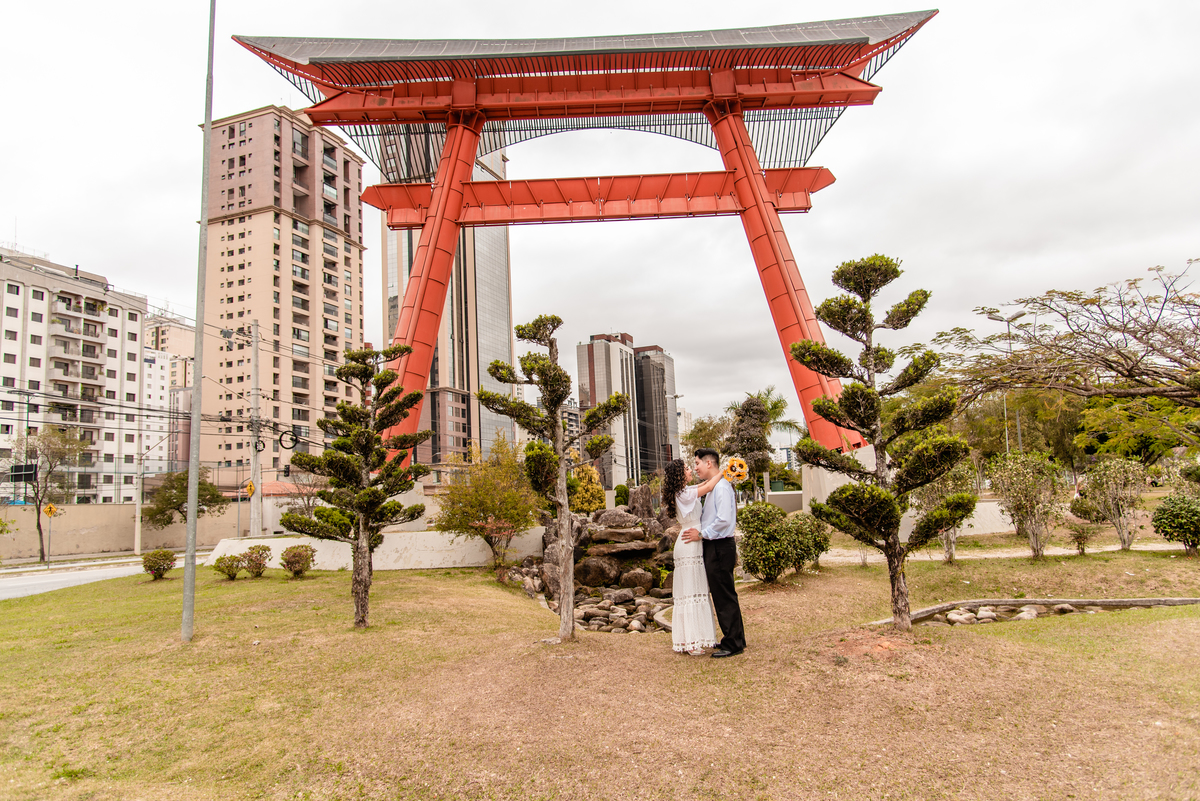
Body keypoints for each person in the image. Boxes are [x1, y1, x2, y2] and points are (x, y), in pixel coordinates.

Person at [680, 447, 745, 658]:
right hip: (714, 546)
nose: (696, 468)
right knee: (720, 594)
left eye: (697, 463)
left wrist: (701, 534)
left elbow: (724, 520)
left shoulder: (721, 488)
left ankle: (733, 643)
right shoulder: (714, 487)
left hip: (719, 545)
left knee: (724, 594)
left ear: (709, 463)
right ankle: (731, 638)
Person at [662, 458, 722, 655]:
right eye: (687, 469)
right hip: (689, 543)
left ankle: (694, 638)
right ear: (679, 475)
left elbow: (704, 484)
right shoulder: (685, 494)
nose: (690, 470)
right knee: (691, 592)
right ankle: (691, 642)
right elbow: (710, 485)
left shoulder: (683, 492)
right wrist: (727, 470)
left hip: (691, 541)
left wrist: (714, 477)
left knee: (695, 591)